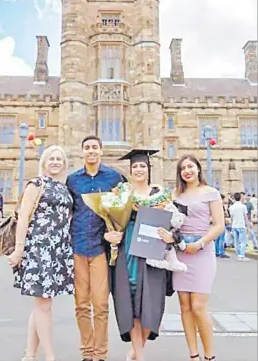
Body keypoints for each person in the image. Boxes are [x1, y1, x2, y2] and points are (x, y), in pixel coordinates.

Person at [8, 146, 74, 361]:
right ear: (44, 162)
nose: (55, 162)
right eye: (51, 158)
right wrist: (19, 249)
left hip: (58, 250)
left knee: (42, 305)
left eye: (59, 159)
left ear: (64, 164)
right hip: (38, 248)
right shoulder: (37, 184)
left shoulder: (64, 188)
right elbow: (24, 216)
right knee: (44, 304)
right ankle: (50, 356)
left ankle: (30, 354)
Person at [108, 149, 175, 361]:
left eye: (142, 166)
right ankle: (140, 355)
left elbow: (173, 222)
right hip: (128, 247)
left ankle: (137, 351)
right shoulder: (121, 194)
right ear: (130, 170)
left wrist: (171, 236)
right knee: (130, 300)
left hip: (152, 250)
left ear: (148, 169)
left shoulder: (160, 195)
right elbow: (109, 220)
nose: (138, 169)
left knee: (151, 304)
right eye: (135, 166)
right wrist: (110, 234)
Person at [66, 135, 123, 361]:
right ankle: (87, 352)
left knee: (100, 305)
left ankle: (101, 354)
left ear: (101, 151)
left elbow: (121, 210)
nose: (91, 151)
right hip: (77, 246)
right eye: (87, 147)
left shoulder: (113, 177)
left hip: (100, 248)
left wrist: (115, 234)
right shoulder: (72, 180)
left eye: (95, 147)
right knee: (81, 305)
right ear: (82, 152)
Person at [172, 154, 225, 361]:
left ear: (198, 169)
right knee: (184, 306)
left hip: (202, 251)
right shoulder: (175, 194)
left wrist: (200, 243)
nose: (187, 170)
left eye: (190, 166)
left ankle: (209, 355)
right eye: (183, 168)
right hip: (181, 251)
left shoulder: (210, 193)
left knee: (199, 306)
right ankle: (193, 355)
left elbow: (219, 225)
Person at [229, 192, 249, 261]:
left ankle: (238, 255)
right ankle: (242, 255)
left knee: (236, 241)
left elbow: (231, 217)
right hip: (241, 225)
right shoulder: (243, 206)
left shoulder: (231, 207)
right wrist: (248, 225)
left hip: (234, 225)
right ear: (240, 198)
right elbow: (246, 217)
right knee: (243, 241)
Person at [214, 194, 230, 258]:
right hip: (221, 223)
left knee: (217, 239)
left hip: (216, 224)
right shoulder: (220, 206)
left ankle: (216, 251)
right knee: (221, 239)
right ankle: (221, 252)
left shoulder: (215, 206)